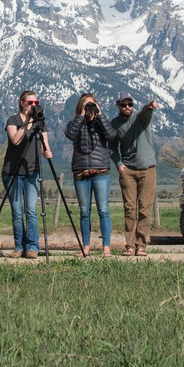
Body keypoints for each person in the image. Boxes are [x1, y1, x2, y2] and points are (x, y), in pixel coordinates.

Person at [65, 92, 117, 257]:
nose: (89, 108)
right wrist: (81, 117)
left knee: (103, 210)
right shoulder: (75, 122)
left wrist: (99, 115)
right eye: (86, 105)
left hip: (101, 171)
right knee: (84, 211)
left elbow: (111, 135)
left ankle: (106, 248)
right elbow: (70, 134)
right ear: (80, 107)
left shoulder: (101, 122)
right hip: (81, 172)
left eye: (91, 104)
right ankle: (85, 248)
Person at [2, 90, 53, 259]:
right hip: (13, 171)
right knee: (17, 211)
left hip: (32, 170)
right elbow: (15, 140)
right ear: (22, 103)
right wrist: (27, 124)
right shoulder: (13, 120)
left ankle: (32, 247)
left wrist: (47, 151)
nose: (33, 106)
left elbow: (45, 145)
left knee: (31, 210)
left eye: (36, 103)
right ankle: (19, 246)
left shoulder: (40, 121)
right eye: (30, 103)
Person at [110, 92, 159, 257]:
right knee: (130, 209)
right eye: (123, 105)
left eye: (130, 104)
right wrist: (119, 165)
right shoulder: (114, 124)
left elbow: (146, 112)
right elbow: (111, 147)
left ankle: (141, 245)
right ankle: (130, 245)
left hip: (147, 169)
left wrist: (149, 107)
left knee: (145, 208)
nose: (127, 107)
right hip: (128, 170)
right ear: (118, 105)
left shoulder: (140, 118)